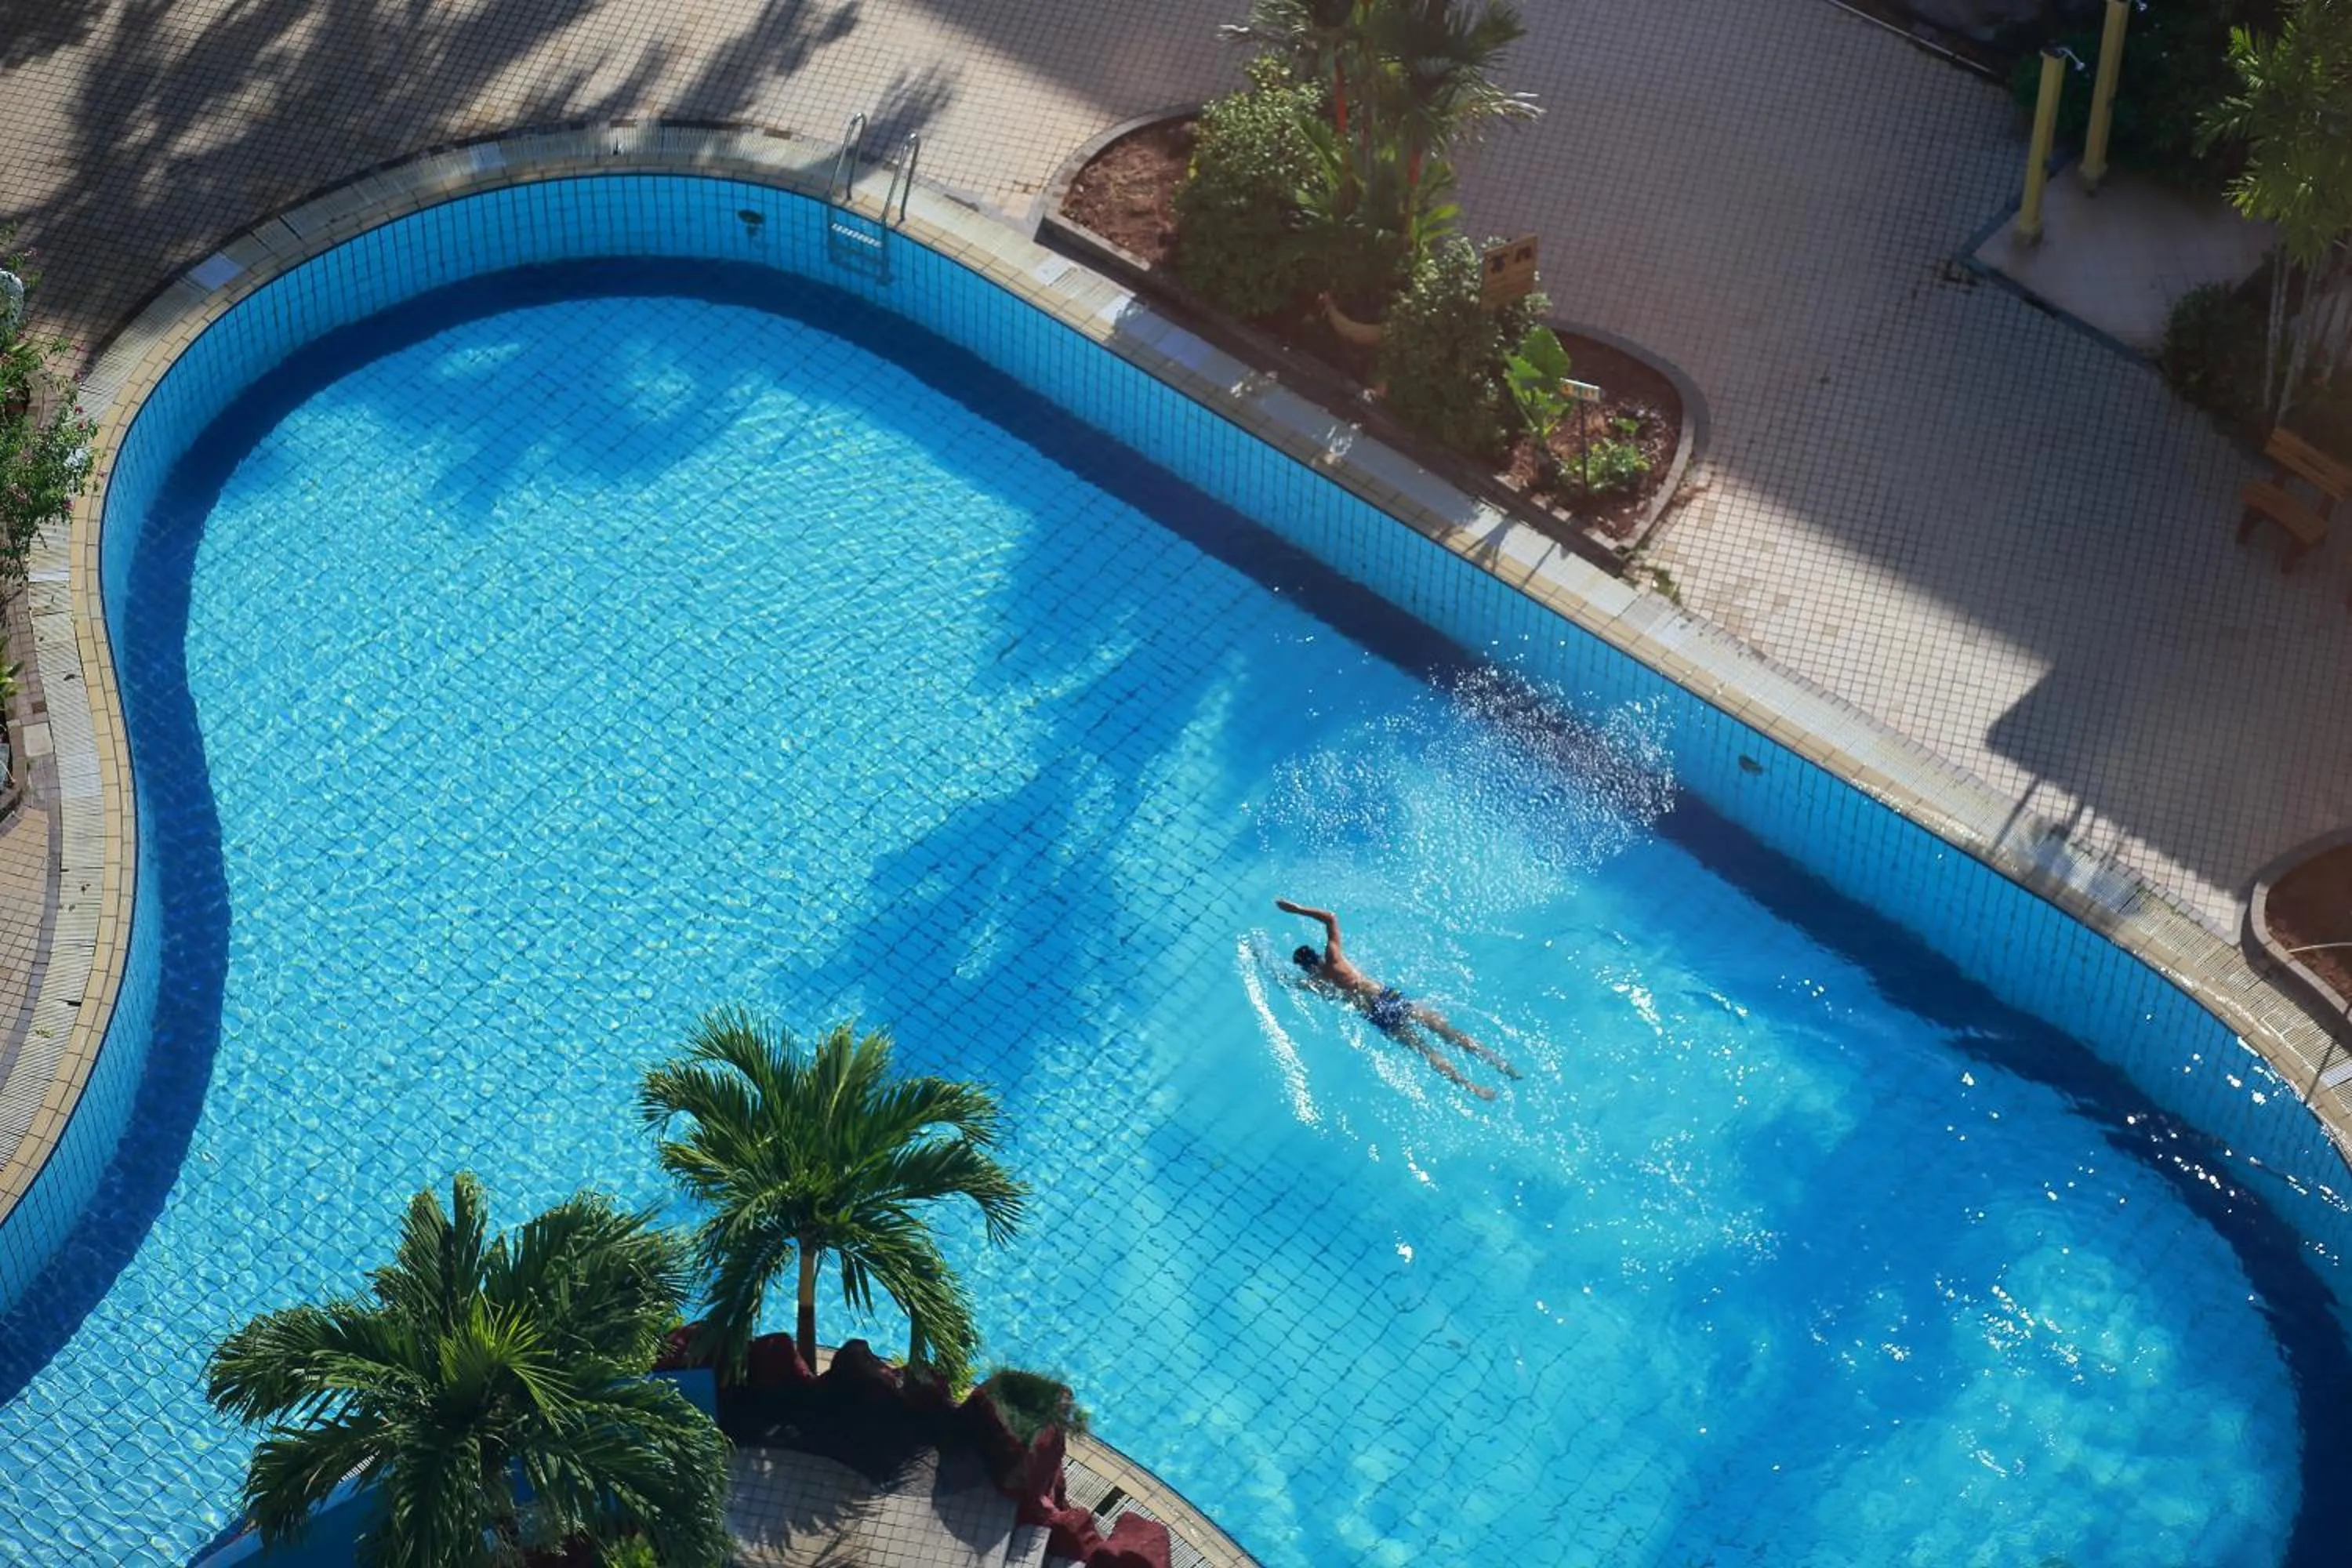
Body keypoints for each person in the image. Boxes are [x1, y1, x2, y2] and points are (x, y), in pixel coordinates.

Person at [1276, 898, 1519, 1099]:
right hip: (1387, 997)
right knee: (1450, 1034)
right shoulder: (1333, 958)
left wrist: (1258, 956)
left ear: (1305, 968)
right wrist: (1297, 910)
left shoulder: (1316, 984)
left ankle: (1472, 1087)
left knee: (1424, 1050)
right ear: (1316, 955)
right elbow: (1330, 917)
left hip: (1378, 1016)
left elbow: (1285, 982)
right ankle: (1501, 1065)